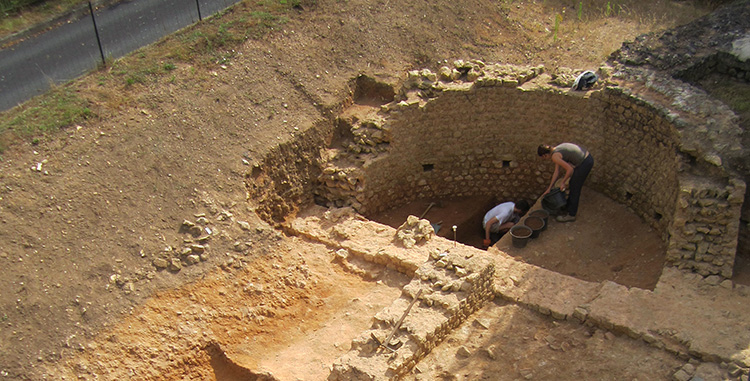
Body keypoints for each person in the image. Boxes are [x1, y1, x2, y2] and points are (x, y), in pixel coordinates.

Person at [537, 143, 594, 222]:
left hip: (585, 163)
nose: (545, 159)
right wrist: (549, 188)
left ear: (544, 155)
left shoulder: (555, 156)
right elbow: (556, 172)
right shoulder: (556, 150)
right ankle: (568, 206)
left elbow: (570, 169)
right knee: (572, 183)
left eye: (544, 158)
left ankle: (571, 215)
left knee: (575, 188)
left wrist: (563, 182)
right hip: (587, 158)